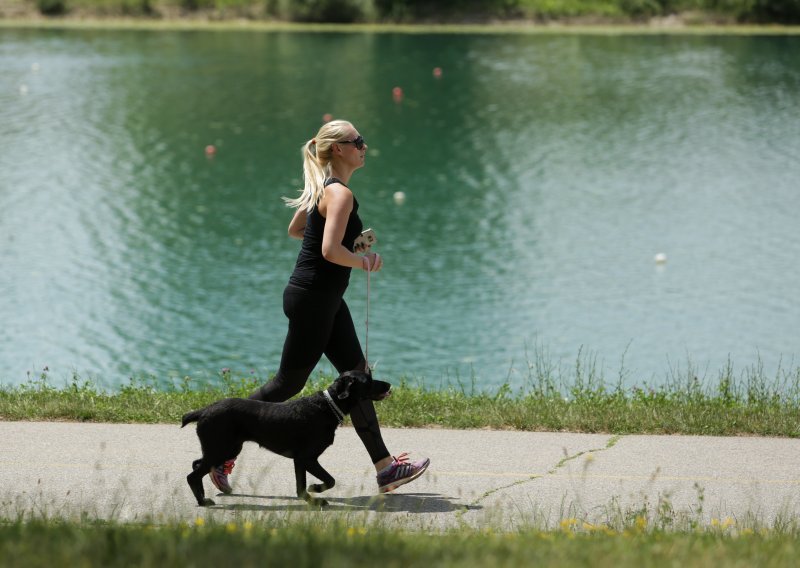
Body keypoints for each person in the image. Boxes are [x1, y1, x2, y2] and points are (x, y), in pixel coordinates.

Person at [209, 119, 430, 496]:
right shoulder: (338, 194)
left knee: (356, 375)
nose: (364, 145)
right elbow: (327, 250)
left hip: (323, 298)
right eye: (357, 141)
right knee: (286, 384)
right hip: (313, 299)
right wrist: (362, 260)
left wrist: (348, 244)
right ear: (339, 149)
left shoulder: (323, 188)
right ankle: (221, 446)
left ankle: (386, 468)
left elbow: (300, 232)